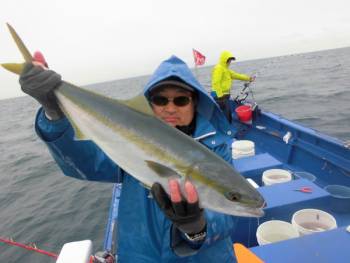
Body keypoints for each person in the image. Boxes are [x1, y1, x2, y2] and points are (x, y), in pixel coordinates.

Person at [19, 54, 239, 262]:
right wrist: (55, 113)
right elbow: (84, 164)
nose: (170, 108)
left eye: (181, 100)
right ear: (149, 104)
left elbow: (228, 213)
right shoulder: (128, 141)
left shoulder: (216, 146)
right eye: (161, 100)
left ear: (195, 103)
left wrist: (197, 228)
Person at [211, 50, 255, 123]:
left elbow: (236, 75)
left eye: (230, 60)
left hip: (224, 95)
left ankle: (227, 125)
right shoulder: (218, 68)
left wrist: (249, 78)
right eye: (229, 60)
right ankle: (227, 129)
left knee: (227, 112)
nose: (230, 62)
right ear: (225, 60)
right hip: (219, 96)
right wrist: (220, 96)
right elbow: (216, 82)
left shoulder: (226, 70)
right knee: (226, 114)